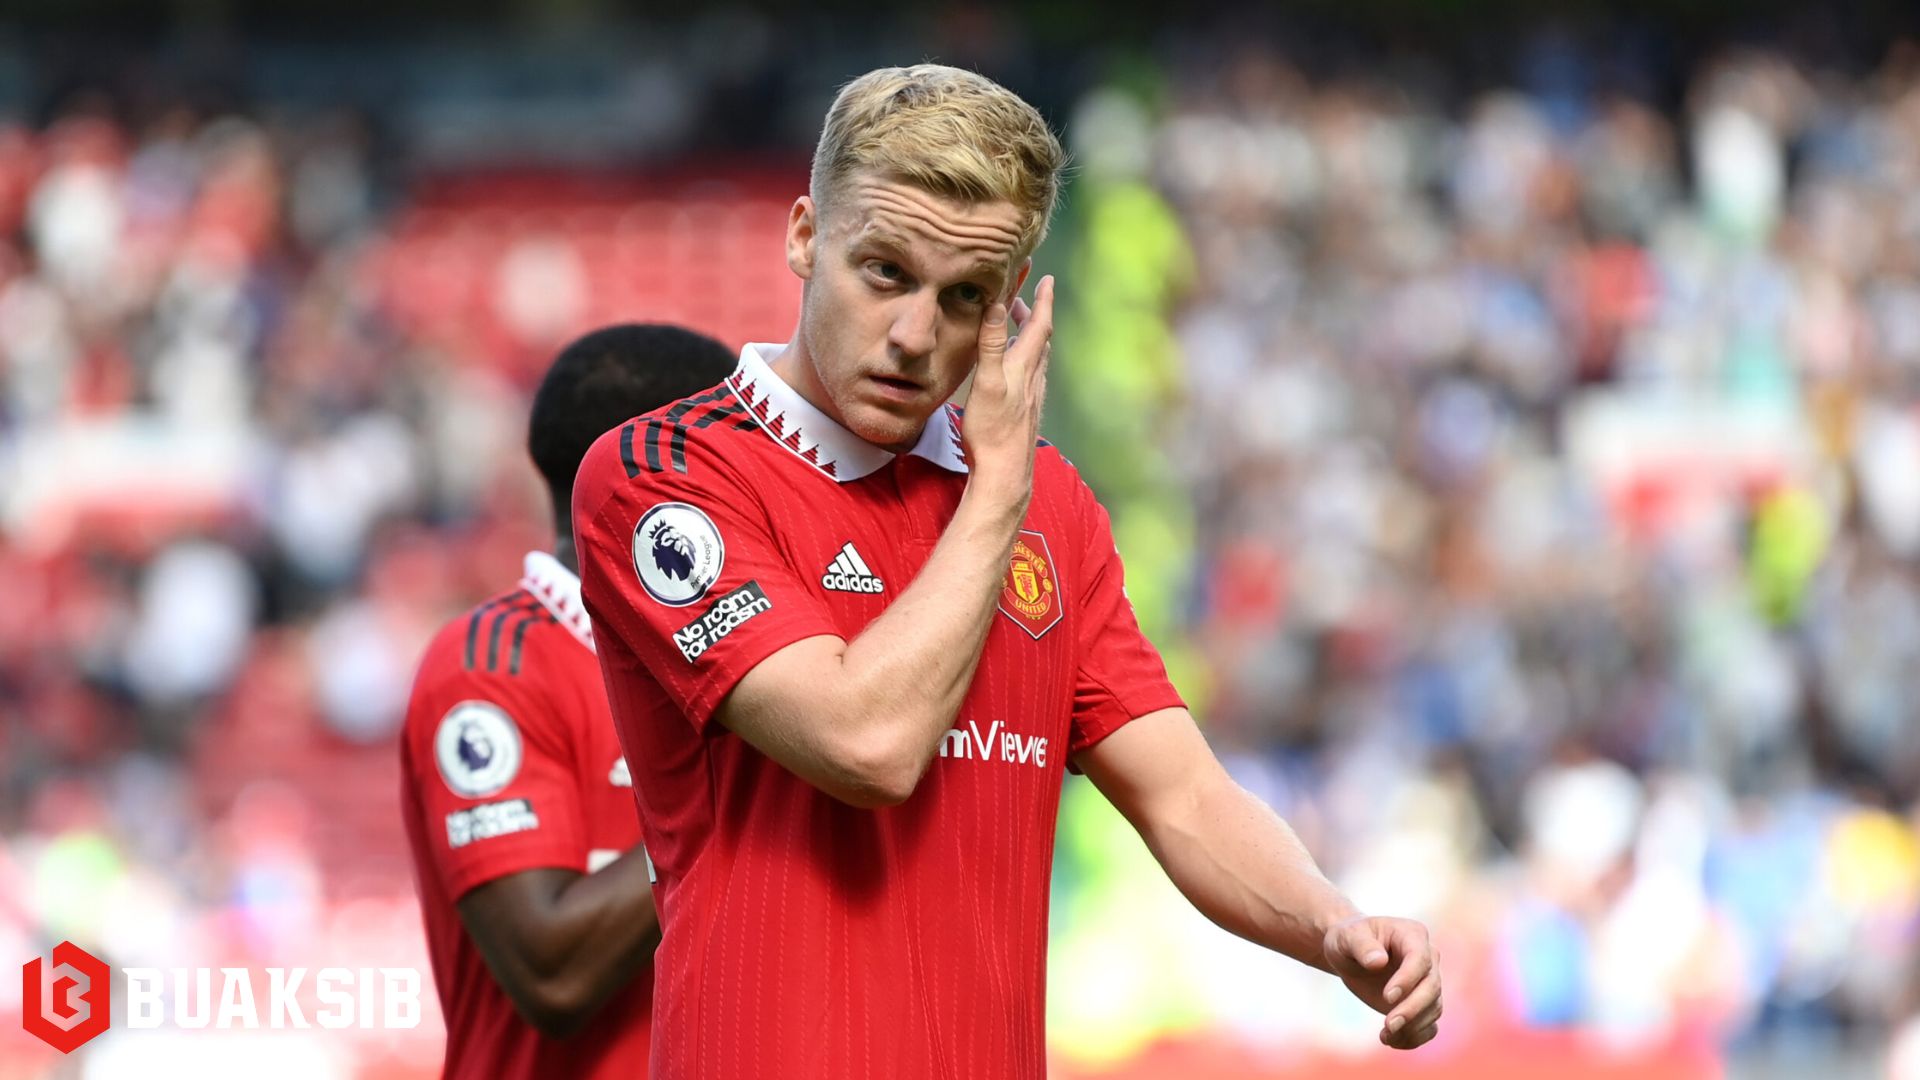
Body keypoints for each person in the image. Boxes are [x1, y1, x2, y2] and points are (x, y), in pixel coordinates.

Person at [573, 65, 1442, 1079]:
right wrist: (994, 495)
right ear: (806, 237)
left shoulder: (1051, 505)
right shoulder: (666, 473)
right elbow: (867, 747)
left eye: (965, 298)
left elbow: (1185, 797)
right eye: (884, 272)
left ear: (1011, 303)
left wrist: (1332, 925)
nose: (914, 336)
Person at [399, 323, 738, 1079]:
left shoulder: (739, 664)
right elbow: (551, 971)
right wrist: (747, 793)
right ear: (662, 480)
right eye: (737, 464)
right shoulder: (490, 668)